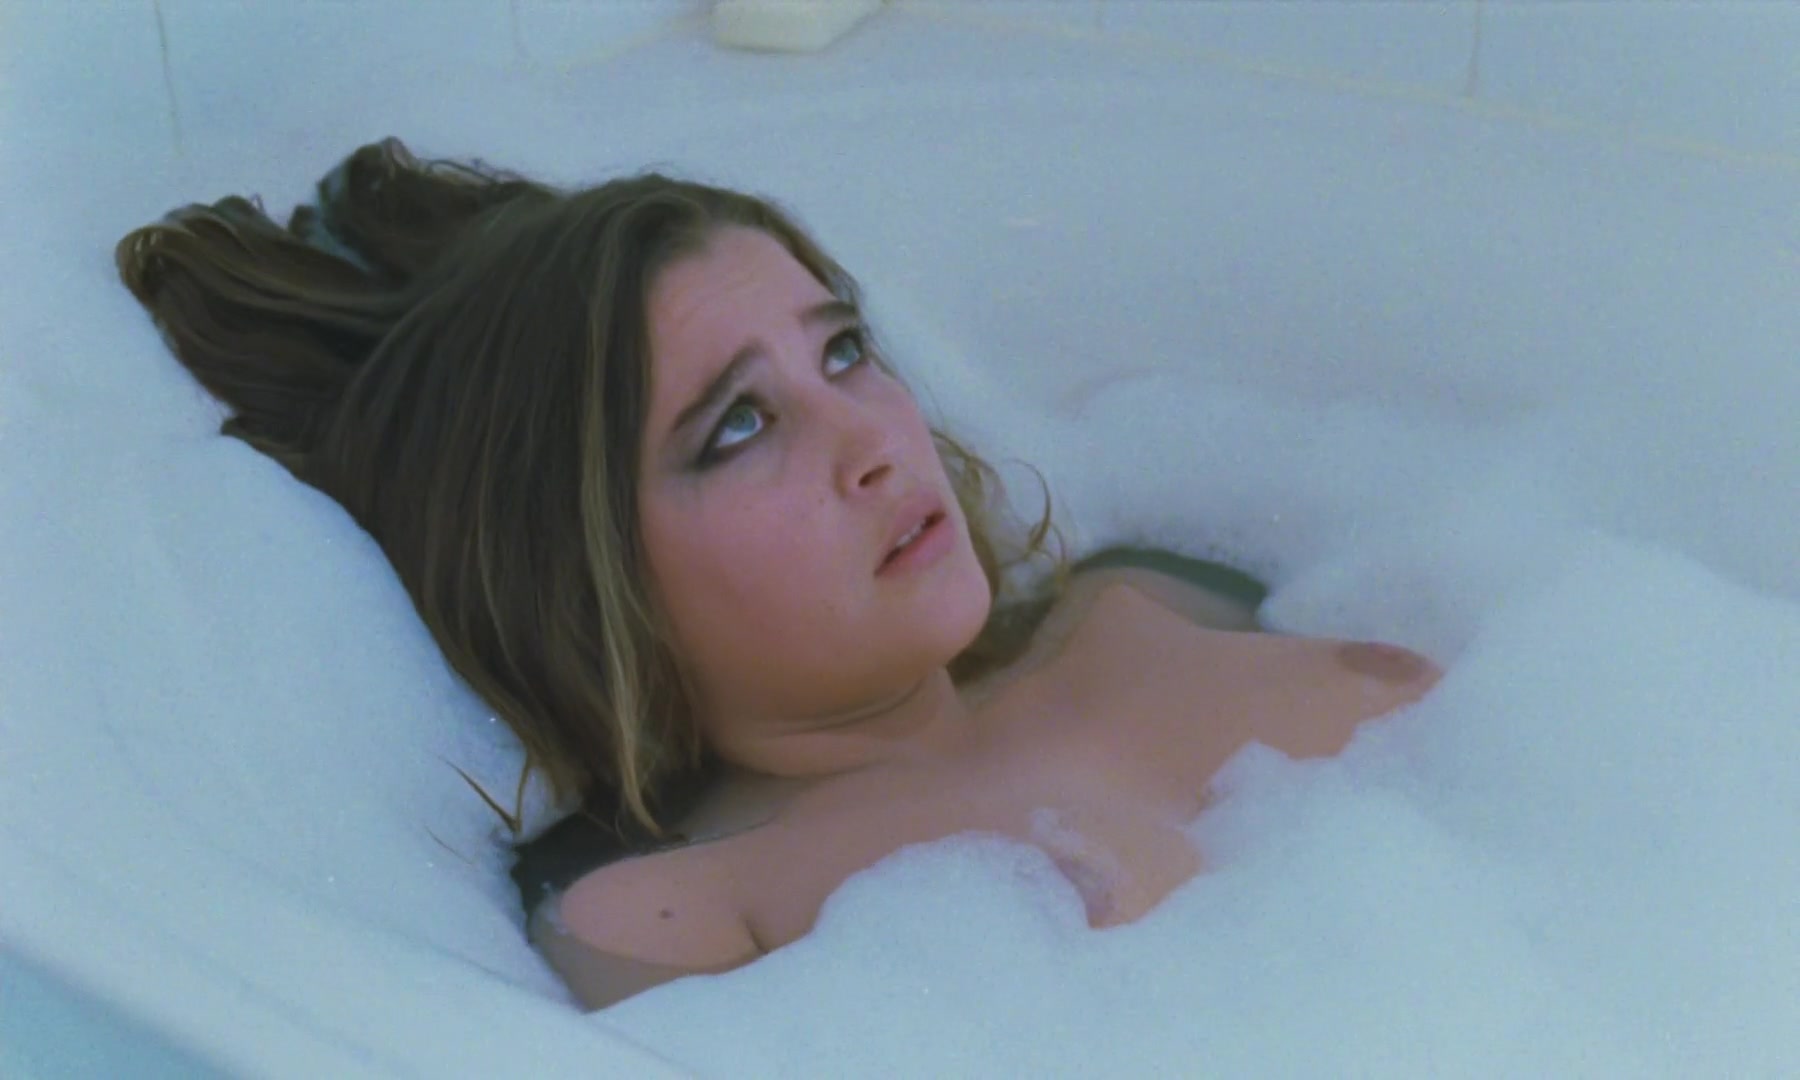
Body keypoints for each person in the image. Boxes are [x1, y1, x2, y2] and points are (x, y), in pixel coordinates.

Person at [116, 138, 1440, 1011]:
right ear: (590, 585)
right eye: (739, 426)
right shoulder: (680, 919)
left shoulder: (1148, 589)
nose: (872, 440)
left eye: (844, 349)